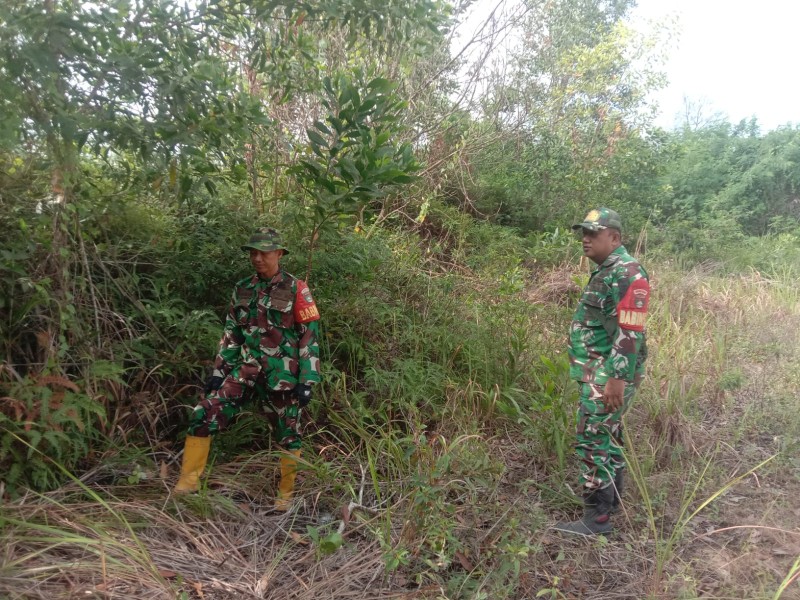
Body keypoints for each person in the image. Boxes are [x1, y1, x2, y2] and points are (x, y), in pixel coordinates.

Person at [173, 227, 321, 511]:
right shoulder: (242, 288)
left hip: (282, 377)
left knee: (288, 434)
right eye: (253, 253)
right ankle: (188, 483)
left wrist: (307, 379)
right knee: (204, 412)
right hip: (245, 371)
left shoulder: (296, 288)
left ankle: (285, 496)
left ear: (279, 253)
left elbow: (309, 336)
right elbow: (232, 334)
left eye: (264, 253)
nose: (257, 258)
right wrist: (219, 373)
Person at [553, 208, 650, 536]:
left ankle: (597, 519)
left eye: (594, 233)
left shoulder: (627, 272)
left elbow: (631, 329)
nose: (586, 239)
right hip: (599, 370)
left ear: (615, 237)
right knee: (608, 434)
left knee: (593, 438)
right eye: (584, 232)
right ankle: (611, 503)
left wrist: (616, 379)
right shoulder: (609, 269)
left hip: (607, 374)